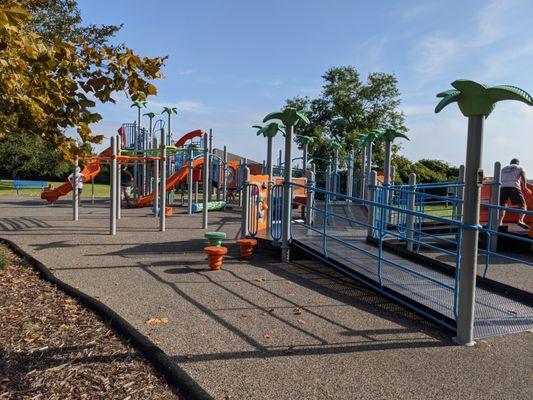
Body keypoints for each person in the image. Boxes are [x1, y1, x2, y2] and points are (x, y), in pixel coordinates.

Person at [498, 158, 531, 229]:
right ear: (517, 163)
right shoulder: (519, 167)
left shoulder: (503, 169)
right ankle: (520, 220)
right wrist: (525, 187)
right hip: (514, 187)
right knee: (523, 205)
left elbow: (499, 178)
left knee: (502, 206)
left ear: (510, 163)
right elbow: (523, 177)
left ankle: (500, 222)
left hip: (503, 187)